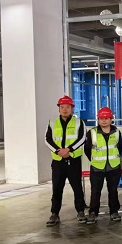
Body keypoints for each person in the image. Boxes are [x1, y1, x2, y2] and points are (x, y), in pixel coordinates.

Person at [44, 95, 87, 227]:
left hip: (73, 160)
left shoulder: (79, 122)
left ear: (72, 108)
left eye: (67, 107)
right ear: (59, 108)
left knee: (77, 188)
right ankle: (54, 213)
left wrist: (68, 149)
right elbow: (47, 139)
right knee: (57, 188)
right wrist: (59, 151)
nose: (64, 109)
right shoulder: (52, 123)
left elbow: (82, 138)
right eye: (62, 107)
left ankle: (80, 211)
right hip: (58, 161)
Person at [84, 107, 122, 223]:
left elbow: (120, 148)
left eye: (106, 118)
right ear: (98, 119)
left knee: (113, 191)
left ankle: (114, 212)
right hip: (97, 168)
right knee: (95, 192)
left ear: (111, 119)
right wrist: (96, 160)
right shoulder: (92, 133)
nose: (104, 120)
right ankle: (93, 213)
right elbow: (87, 150)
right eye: (101, 118)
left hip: (113, 167)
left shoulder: (117, 132)